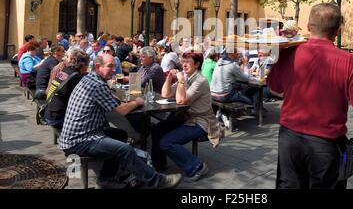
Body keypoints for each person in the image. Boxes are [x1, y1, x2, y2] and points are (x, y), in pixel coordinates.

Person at [267, 3, 353, 189]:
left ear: (309, 26)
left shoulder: (288, 53)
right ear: (337, 31)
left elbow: (274, 88)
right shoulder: (348, 62)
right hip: (325, 146)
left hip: (289, 140)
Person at [58, 54, 182, 189]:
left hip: (77, 134)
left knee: (120, 135)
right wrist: (137, 102)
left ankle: (106, 178)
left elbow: (111, 100)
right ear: (98, 67)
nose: (114, 70)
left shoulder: (90, 79)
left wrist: (126, 101)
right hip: (79, 140)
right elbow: (122, 110)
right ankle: (157, 181)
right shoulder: (97, 85)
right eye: (110, 66)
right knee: (125, 149)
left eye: (114, 66)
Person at [155, 51, 221, 181]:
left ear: (196, 65)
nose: (184, 64)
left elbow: (181, 101)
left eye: (187, 62)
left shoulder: (200, 80)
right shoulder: (186, 78)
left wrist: (180, 81)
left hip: (202, 122)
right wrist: (169, 77)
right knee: (157, 129)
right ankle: (158, 165)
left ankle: (196, 166)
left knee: (167, 142)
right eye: (183, 61)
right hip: (186, 118)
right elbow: (165, 94)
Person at [44, 49, 90, 129]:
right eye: (87, 65)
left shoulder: (65, 70)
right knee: (92, 121)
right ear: (83, 65)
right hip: (57, 119)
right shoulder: (76, 77)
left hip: (49, 113)